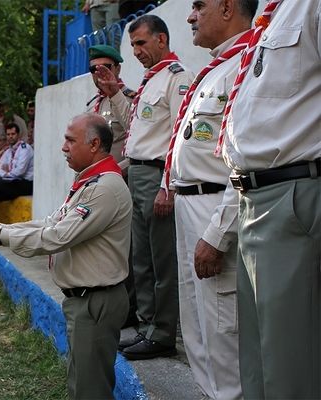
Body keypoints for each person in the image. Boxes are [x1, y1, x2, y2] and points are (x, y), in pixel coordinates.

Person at [0, 113, 131, 399]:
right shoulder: (88, 183)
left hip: (95, 301)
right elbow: (50, 223)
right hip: (85, 300)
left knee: (89, 391)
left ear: (94, 144)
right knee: (81, 384)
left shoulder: (104, 188)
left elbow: (58, 236)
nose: (63, 147)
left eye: (70, 140)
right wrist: (4, 228)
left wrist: (2, 235)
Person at [220, 1, 320, 398]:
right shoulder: (275, 12)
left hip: (293, 195)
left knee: (290, 366)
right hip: (254, 196)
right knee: (258, 364)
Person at [162, 0, 258, 397]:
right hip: (188, 204)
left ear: (227, 8)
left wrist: (219, 233)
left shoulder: (248, 63)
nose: (190, 16)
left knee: (223, 327)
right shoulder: (215, 68)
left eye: (199, 6)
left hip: (216, 204)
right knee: (196, 323)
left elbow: (247, 160)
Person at [96, 14, 194, 359]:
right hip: (136, 173)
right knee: (140, 258)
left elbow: (181, 137)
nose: (136, 51)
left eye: (141, 43)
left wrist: (168, 185)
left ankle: (163, 332)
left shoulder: (176, 78)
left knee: (161, 259)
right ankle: (146, 326)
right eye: (133, 44)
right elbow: (134, 128)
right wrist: (116, 93)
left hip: (157, 175)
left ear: (162, 40)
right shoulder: (150, 80)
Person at [86, 45, 136, 168]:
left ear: (118, 69)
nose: (99, 72)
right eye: (94, 69)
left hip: (121, 177)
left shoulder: (132, 100)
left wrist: (116, 171)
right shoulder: (92, 103)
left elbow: (139, 143)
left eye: (106, 67)